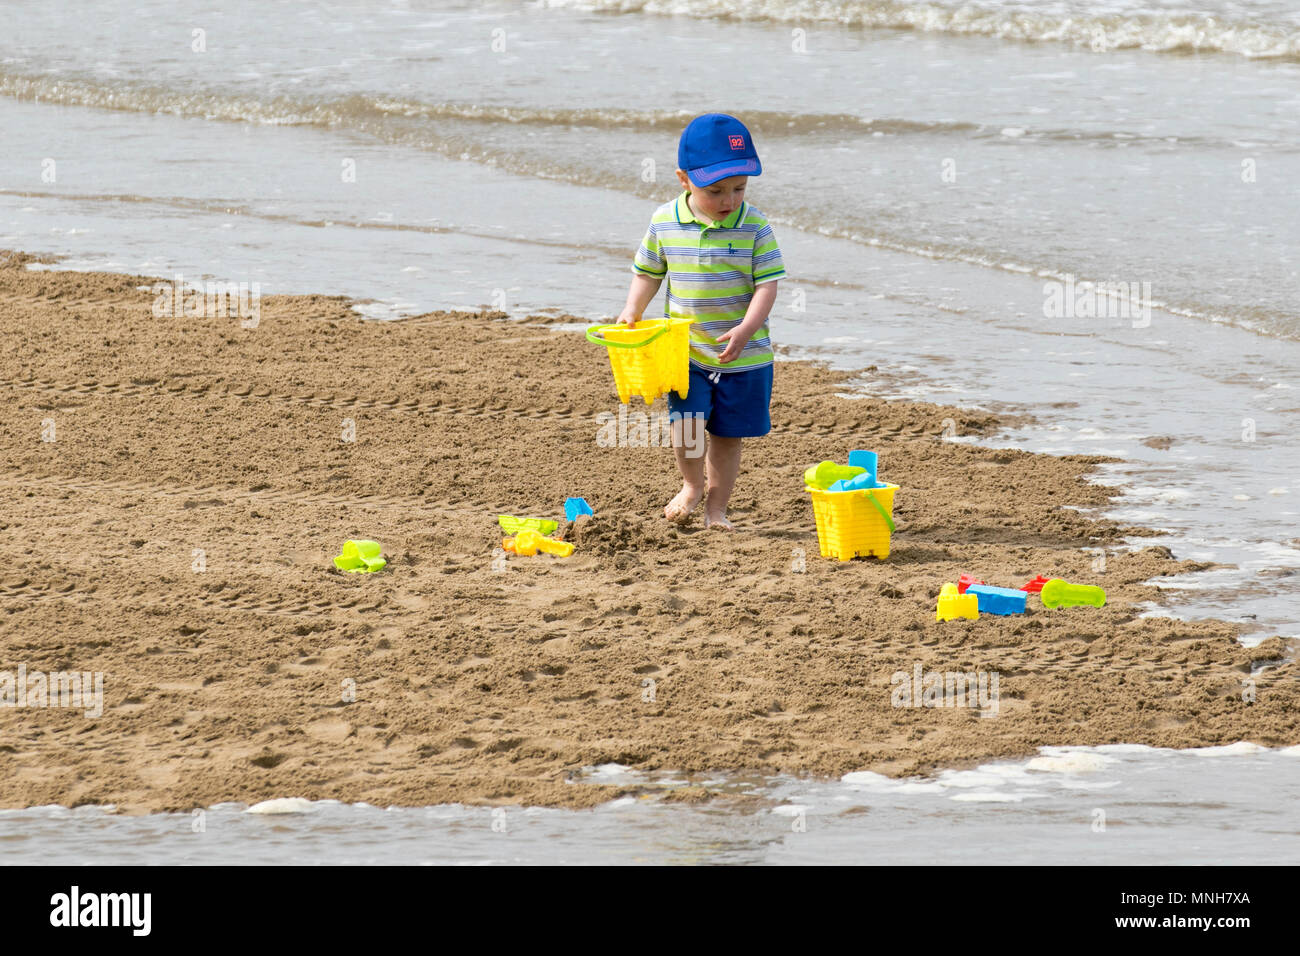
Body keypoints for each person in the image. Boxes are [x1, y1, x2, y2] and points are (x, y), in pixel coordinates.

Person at [617, 113, 786, 530]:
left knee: (728, 437)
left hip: (742, 358)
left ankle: (717, 508)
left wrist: (746, 329)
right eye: (716, 190)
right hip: (686, 353)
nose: (730, 199)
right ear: (683, 179)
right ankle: (691, 486)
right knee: (686, 430)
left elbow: (767, 286)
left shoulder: (755, 226)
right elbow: (648, 273)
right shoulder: (664, 221)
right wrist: (632, 310)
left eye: (739, 188)